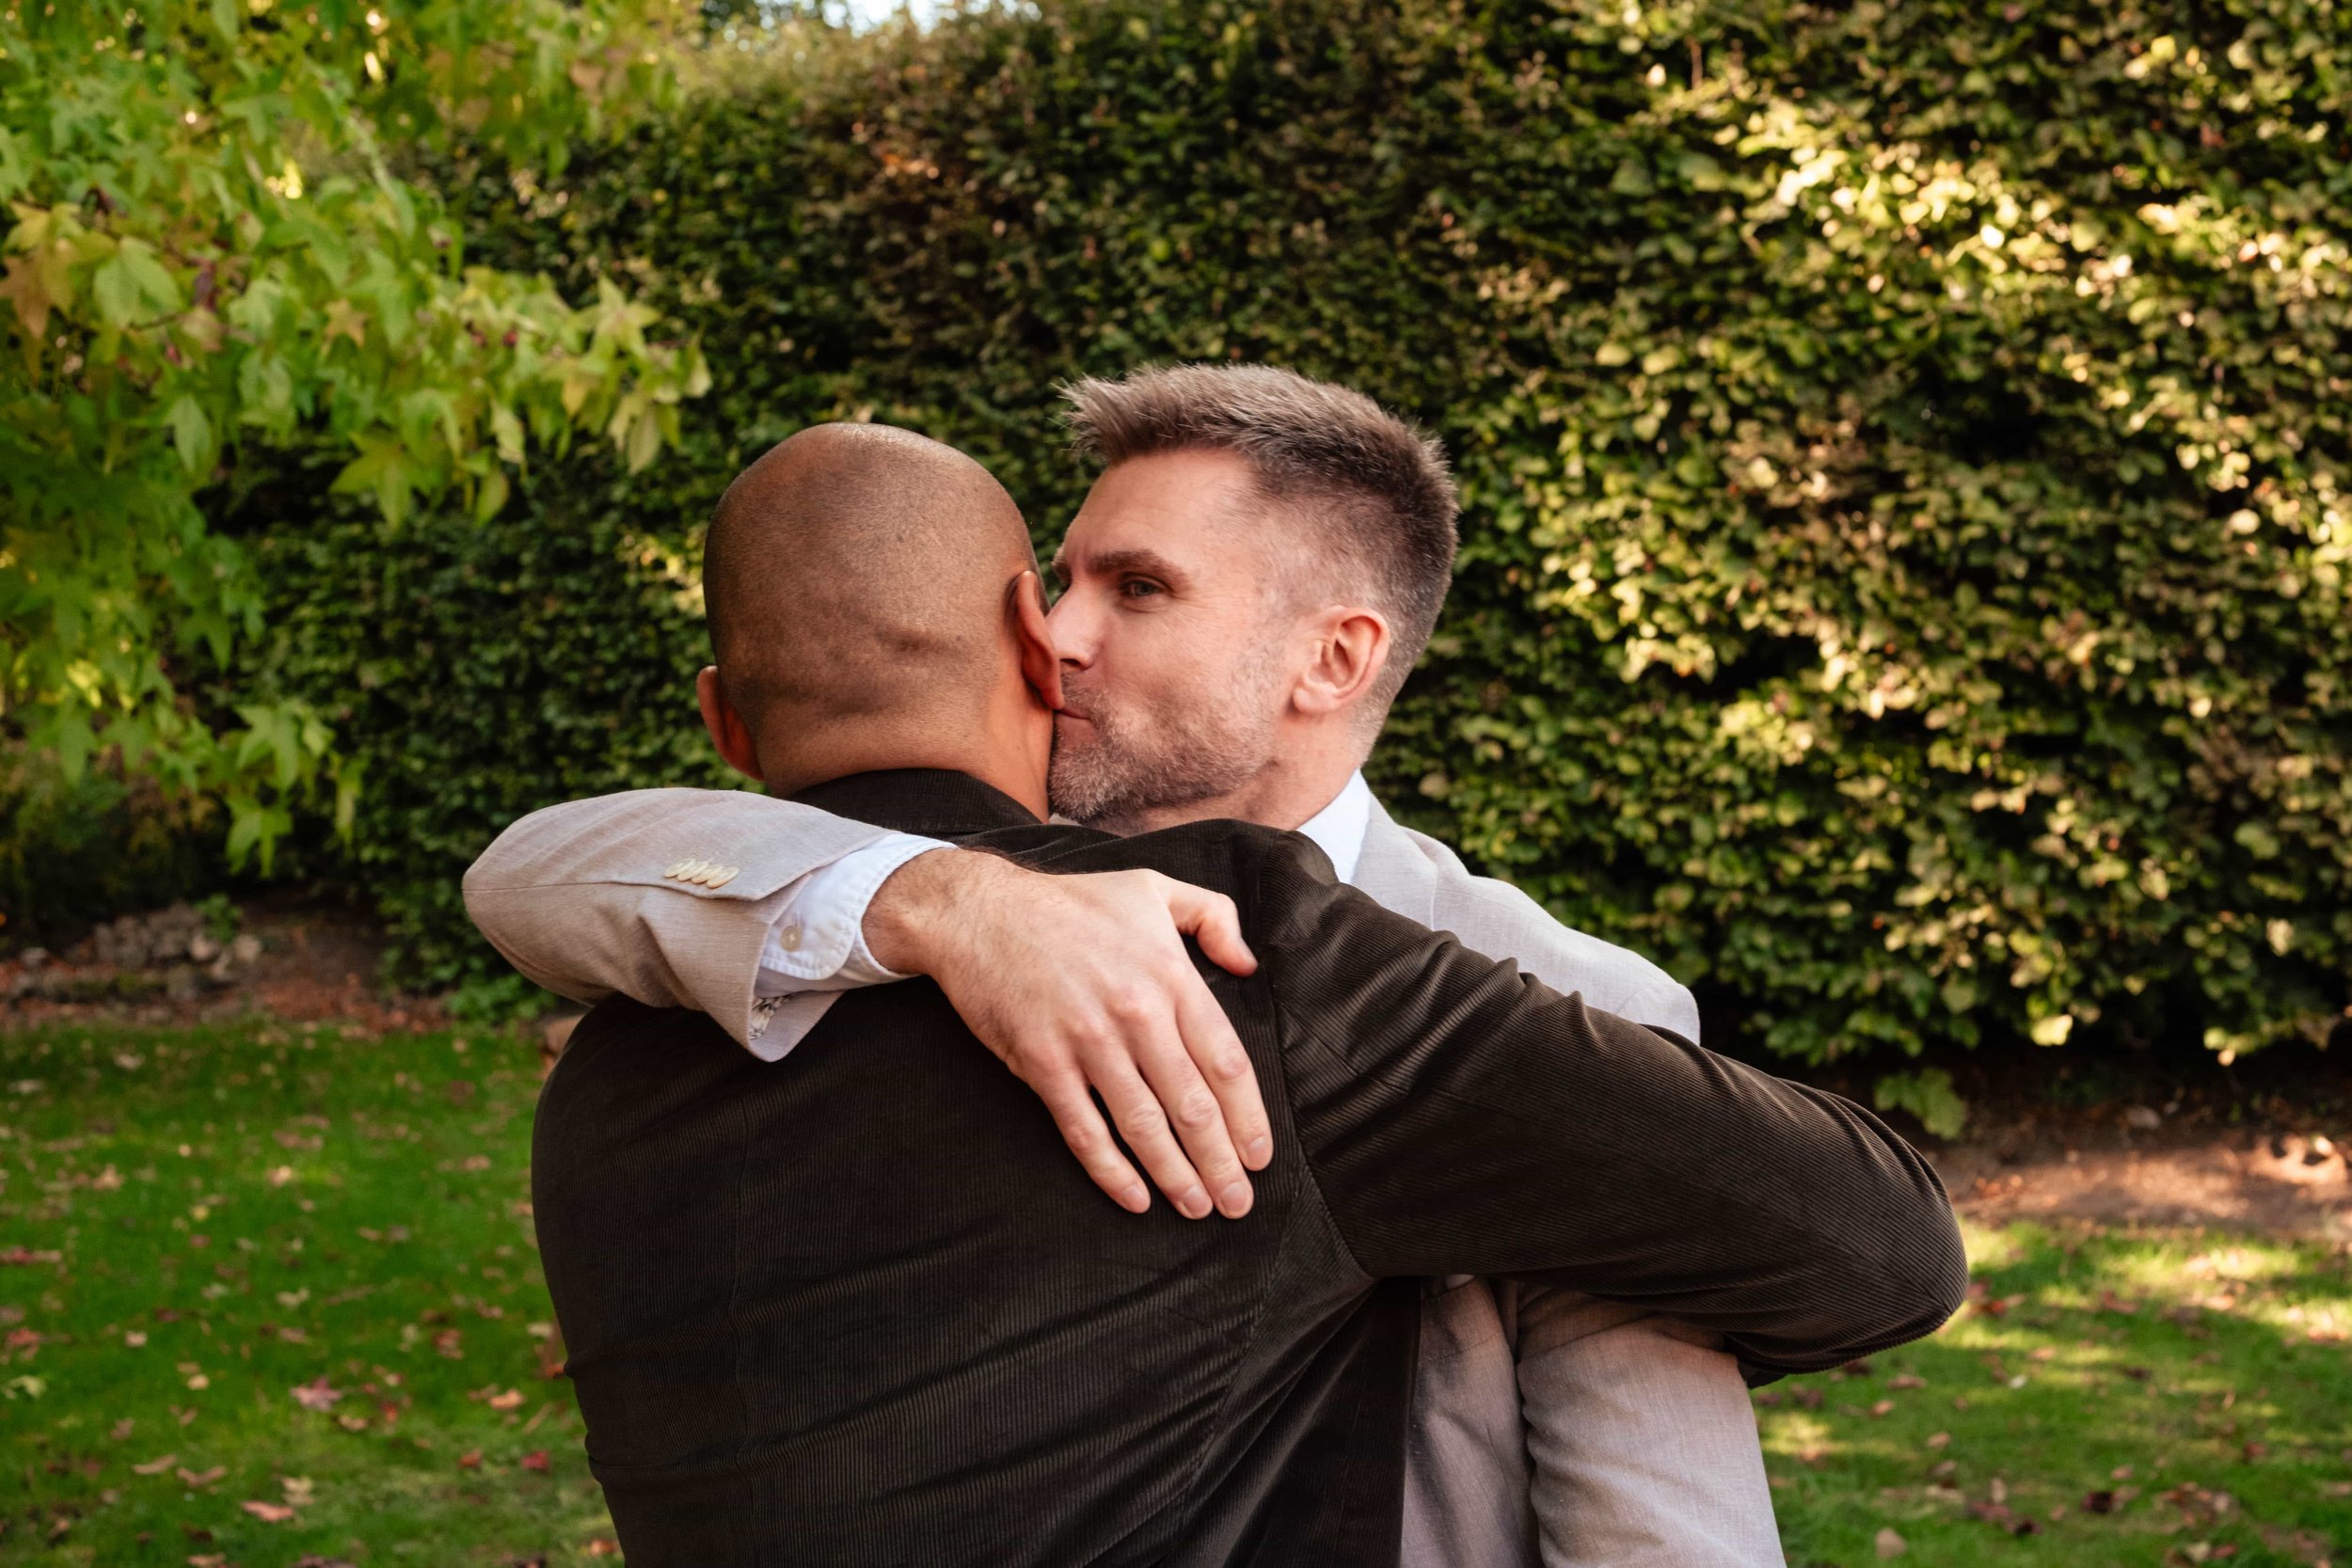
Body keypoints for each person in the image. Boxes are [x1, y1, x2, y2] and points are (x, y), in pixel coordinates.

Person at [493, 419, 1966, 1568]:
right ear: (1015, 628)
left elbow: (1665, 1515)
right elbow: (542, 868)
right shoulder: (1237, 964)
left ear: (1335, 657)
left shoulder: (610, 1074)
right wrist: (953, 902)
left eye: (1134, 588)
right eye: (1061, 586)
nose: (1072, 633)